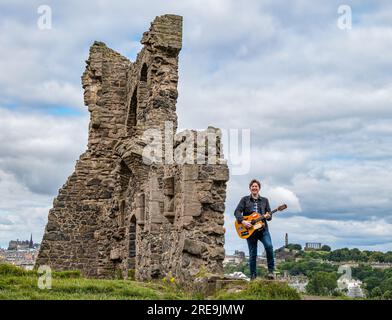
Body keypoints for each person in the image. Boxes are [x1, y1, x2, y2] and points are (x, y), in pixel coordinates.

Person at [234, 179, 275, 280]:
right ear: (250, 188)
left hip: (263, 230)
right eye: (252, 186)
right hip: (250, 231)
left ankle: (270, 272)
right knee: (253, 254)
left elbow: (269, 218)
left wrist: (268, 215)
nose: (254, 188)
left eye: (256, 186)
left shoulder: (265, 200)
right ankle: (253, 276)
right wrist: (243, 221)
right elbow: (237, 212)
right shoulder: (244, 200)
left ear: (259, 188)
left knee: (269, 247)